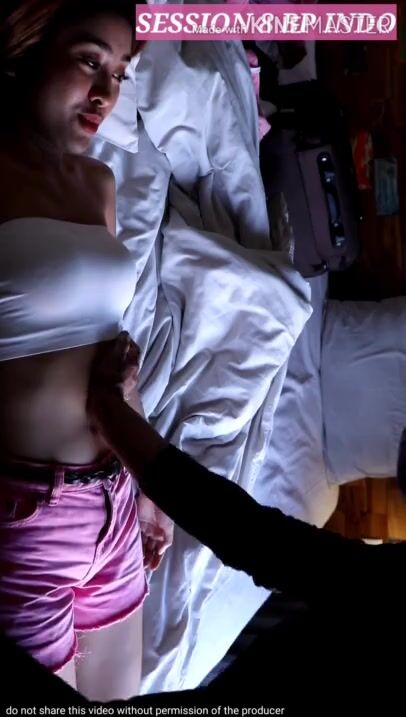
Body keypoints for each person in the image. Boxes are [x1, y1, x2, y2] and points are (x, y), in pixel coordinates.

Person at [0, 0, 173, 702]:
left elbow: (111, 346)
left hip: (116, 495)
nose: (106, 92)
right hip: (22, 517)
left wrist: (150, 482)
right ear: (32, 49)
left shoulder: (99, 183)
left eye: (121, 73)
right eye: (89, 61)